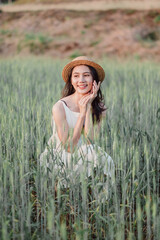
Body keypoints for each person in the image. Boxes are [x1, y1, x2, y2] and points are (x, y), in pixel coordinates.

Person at [40, 56, 114, 190]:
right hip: (60, 152)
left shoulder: (100, 108)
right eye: (76, 76)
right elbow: (69, 148)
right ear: (71, 80)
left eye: (86, 75)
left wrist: (90, 106)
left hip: (86, 149)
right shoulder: (60, 107)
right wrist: (82, 113)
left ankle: (100, 202)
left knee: (105, 159)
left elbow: (90, 140)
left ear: (94, 81)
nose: (81, 80)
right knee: (86, 156)